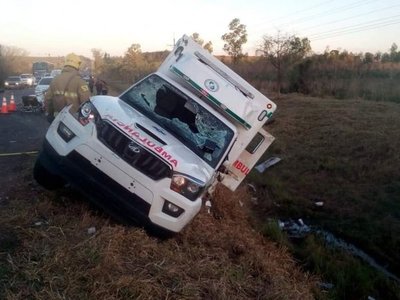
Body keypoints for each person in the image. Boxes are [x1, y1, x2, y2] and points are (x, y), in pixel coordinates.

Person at [44, 53, 90, 123]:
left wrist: (49, 113)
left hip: (58, 119)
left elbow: (48, 99)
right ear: (77, 65)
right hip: (74, 120)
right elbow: (86, 102)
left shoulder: (55, 79)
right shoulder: (80, 82)